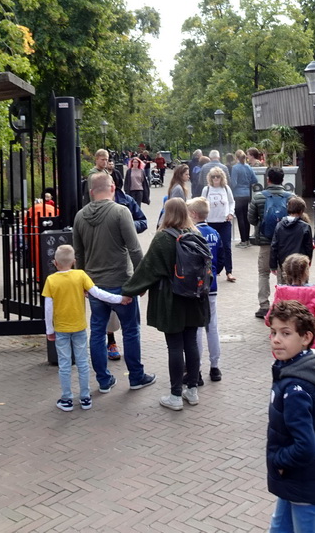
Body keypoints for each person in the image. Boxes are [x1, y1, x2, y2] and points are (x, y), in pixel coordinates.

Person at [122, 197, 211, 411]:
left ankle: (175, 395)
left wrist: (130, 291)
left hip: (172, 300)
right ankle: (192, 390)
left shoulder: (163, 238)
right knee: (191, 344)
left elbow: (147, 269)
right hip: (195, 298)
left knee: (174, 346)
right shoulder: (196, 235)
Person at [73, 173, 156, 393]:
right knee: (130, 330)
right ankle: (136, 377)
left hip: (94, 285)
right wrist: (142, 281)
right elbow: (134, 248)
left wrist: (82, 282)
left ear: (91, 192)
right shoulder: (121, 212)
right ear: (112, 188)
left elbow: (79, 256)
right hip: (121, 283)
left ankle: (103, 380)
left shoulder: (80, 217)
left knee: (98, 331)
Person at [266, 300, 315, 532]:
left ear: (305, 338)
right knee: (279, 527)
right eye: (273, 332)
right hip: (294, 480)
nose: (276, 339)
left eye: (286, 333)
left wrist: (279, 460)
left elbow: (306, 446)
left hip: (303, 481)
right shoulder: (291, 371)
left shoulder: (297, 387)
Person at [43, 244, 132, 412]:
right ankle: (85, 397)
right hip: (79, 327)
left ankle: (67, 398)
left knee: (64, 363)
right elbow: (98, 293)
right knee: (83, 362)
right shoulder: (80, 275)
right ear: (74, 261)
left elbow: (48, 308)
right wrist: (119, 299)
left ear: (55, 263)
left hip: (61, 328)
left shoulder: (51, 280)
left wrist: (49, 330)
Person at [249, 167, 294, 320]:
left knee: (263, 273)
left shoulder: (258, 197)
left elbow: (251, 219)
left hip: (266, 242)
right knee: (283, 274)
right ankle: (282, 305)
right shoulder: (290, 197)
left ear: (268, 179)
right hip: (285, 243)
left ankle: (264, 306)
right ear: (283, 180)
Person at [187, 197, 222, 384]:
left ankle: (196, 369)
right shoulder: (214, 234)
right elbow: (222, 258)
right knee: (212, 326)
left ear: (193, 214)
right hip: (212, 285)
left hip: (196, 287)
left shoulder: (191, 235)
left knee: (197, 328)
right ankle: (215, 367)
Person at [266, 254, 315, 350]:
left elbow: (269, 320)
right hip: (309, 341)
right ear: (306, 272)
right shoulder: (314, 293)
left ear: (286, 272)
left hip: (286, 342)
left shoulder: (281, 293)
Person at [202, 166, 235, 282]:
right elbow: (202, 203)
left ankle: (229, 271)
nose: (216, 179)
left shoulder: (226, 188)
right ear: (210, 178)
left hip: (224, 221)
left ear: (222, 177)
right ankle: (212, 270)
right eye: (213, 176)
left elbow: (231, 202)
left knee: (226, 246)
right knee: (211, 247)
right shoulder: (207, 189)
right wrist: (203, 218)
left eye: (218, 176)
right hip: (210, 222)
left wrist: (231, 213)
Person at [270, 197, 315, 277]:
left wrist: (273, 265)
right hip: (300, 261)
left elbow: (274, 246)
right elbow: (309, 247)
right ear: (302, 211)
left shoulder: (279, 225)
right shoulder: (305, 227)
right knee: (301, 283)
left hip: (284, 261)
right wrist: (308, 261)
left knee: (284, 284)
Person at [231, 149, 258, 248]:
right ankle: (247, 240)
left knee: (240, 217)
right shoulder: (248, 167)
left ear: (236, 157)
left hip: (238, 195)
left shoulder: (235, 168)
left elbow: (233, 182)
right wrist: (247, 184)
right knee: (246, 217)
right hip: (247, 194)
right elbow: (255, 179)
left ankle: (243, 241)